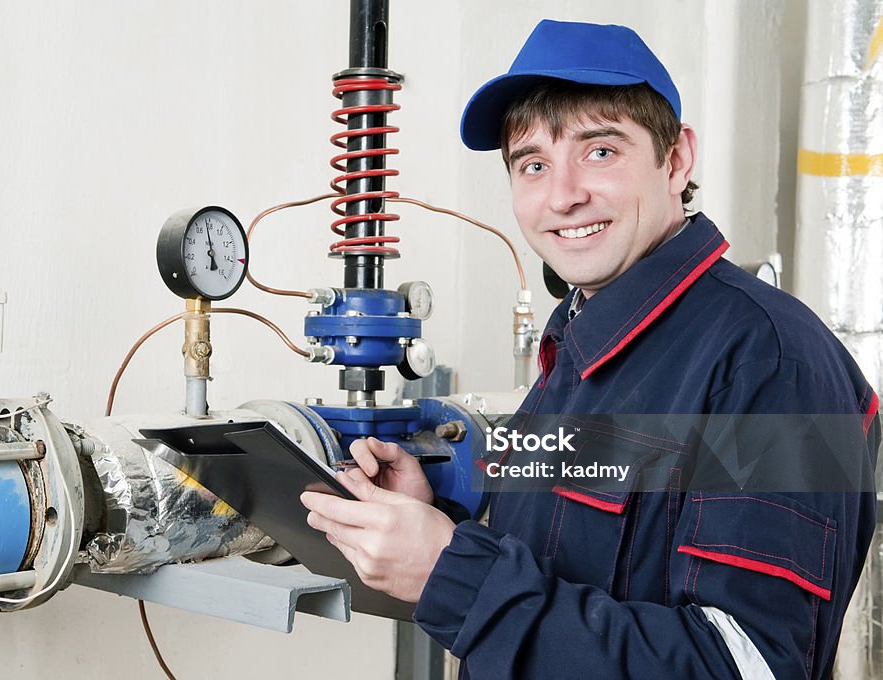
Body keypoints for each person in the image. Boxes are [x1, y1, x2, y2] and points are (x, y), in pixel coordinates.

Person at [301, 19, 879, 679]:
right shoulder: (579, 341)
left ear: (678, 159)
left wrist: (454, 573)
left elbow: (744, 666)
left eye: (600, 151)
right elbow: (568, 556)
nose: (563, 195)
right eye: (534, 164)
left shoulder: (770, 362)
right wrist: (439, 520)